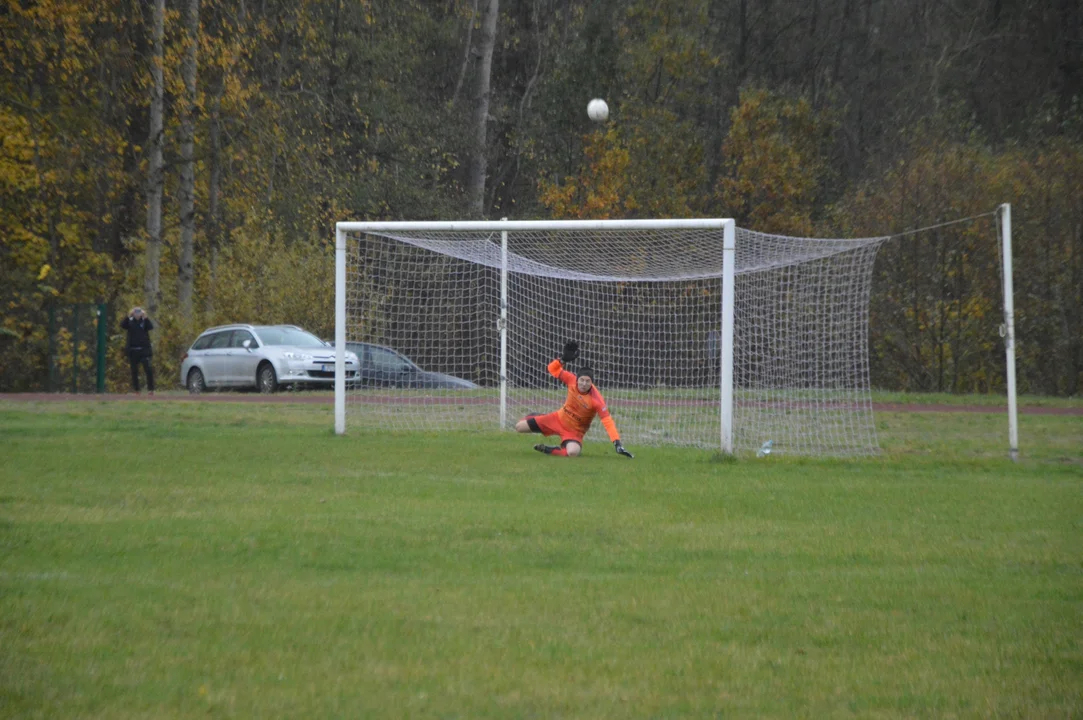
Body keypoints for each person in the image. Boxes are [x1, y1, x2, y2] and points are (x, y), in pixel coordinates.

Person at [515, 340, 634, 459]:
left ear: (592, 383)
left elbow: (608, 422)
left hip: (574, 432)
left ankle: (550, 450)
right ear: (577, 379)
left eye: (588, 381)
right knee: (519, 427)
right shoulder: (571, 380)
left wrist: (617, 443)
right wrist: (562, 360)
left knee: (572, 453)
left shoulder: (596, 400)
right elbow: (552, 369)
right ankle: (539, 416)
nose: (584, 384)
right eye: (582, 380)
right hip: (557, 419)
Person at [121, 306, 155, 394]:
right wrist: (129, 315)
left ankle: (151, 389)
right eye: (136, 312)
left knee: (148, 369)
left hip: (144, 350)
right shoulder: (130, 321)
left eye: (139, 312)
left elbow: (150, 327)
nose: (137, 314)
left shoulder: (144, 322)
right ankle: (137, 390)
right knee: (134, 371)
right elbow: (123, 325)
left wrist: (145, 317)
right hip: (133, 350)